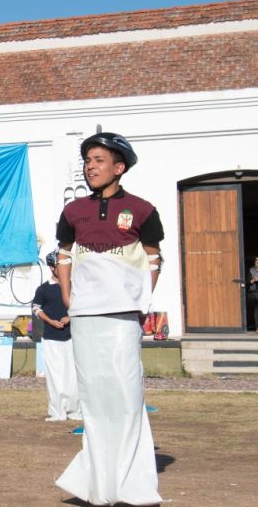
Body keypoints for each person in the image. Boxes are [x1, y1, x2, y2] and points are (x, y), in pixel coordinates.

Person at [54, 132, 164, 506]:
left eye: (99, 160)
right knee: (94, 399)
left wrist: (141, 298)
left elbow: (153, 258)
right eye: (87, 160)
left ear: (119, 167)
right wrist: (68, 296)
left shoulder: (143, 209)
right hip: (84, 314)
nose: (90, 166)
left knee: (126, 394)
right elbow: (64, 254)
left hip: (122, 316)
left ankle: (133, 484)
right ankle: (99, 485)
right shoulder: (73, 212)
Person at [32, 250, 81, 422]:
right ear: (52, 267)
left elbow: (81, 305)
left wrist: (70, 316)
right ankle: (57, 411)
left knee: (74, 375)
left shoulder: (74, 286)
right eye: (58, 266)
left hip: (72, 336)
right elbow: (36, 308)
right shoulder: (43, 289)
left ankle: (74, 410)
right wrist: (51, 321)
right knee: (55, 376)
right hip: (51, 337)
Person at [248, 256, 258, 333]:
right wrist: (254, 279)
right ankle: (257, 327)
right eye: (257, 262)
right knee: (256, 310)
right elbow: (247, 281)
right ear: (255, 262)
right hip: (254, 293)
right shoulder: (251, 270)